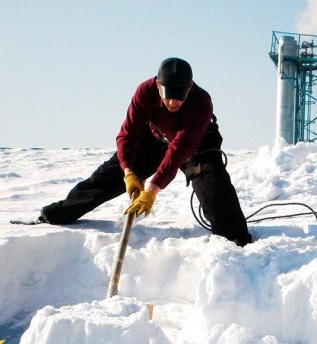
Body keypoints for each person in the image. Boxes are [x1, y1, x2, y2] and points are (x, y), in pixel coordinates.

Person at [38, 57, 252, 247]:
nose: (172, 102)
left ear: (189, 88)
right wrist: (128, 172)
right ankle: (57, 214)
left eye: (179, 96)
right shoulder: (145, 92)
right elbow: (127, 135)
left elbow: (179, 149)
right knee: (107, 177)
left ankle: (236, 241)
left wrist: (151, 191)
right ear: (158, 85)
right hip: (154, 138)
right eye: (168, 95)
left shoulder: (201, 102)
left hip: (196, 144)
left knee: (214, 186)